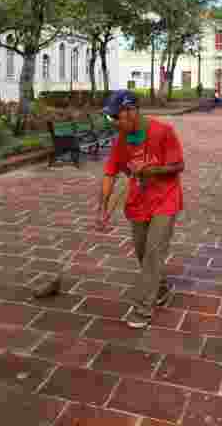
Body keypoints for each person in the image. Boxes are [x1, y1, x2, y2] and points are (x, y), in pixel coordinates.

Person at [34, 90, 186, 329]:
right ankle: (161, 287)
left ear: (131, 111)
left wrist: (151, 171)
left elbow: (179, 165)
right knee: (142, 252)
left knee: (153, 251)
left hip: (165, 199)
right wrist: (101, 209)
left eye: (115, 118)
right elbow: (109, 173)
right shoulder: (121, 141)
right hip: (138, 201)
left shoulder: (162, 131)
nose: (113, 123)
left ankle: (143, 309)